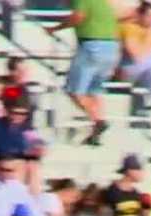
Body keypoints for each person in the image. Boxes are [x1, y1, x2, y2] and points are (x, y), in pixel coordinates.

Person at [47, 0, 120, 145]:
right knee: (93, 91)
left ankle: (98, 121)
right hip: (111, 48)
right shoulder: (103, 3)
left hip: (92, 46)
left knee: (74, 91)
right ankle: (96, 133)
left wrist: (55, 28)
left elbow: (78, 17)